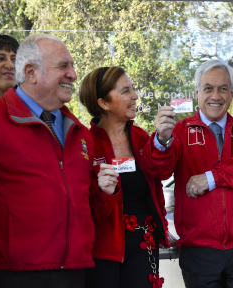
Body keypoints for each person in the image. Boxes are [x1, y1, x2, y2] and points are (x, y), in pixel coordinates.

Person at [0, 34, 117, 288]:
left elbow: (86, 208)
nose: (73, 74)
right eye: (63, 66)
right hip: (10, 276)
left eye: (72, 65)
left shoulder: (79, 132)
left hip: (75, 274)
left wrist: (106, 193)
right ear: (31, 72)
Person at [144, 59, 233, 288]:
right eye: (208, 88)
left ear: (231, 93)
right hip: (198, 251)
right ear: (197, 92)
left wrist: (211, 178)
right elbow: (159, 171)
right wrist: (161, 140)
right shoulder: (178, 131)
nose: (216, 95)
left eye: (223, 89)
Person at [78, 66, 176, 288]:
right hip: (103, 250)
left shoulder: (141, 136)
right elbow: (86, 211)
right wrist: (105, 193)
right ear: (103, 103)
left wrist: (162, 139)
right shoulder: (85, 144)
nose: (134, 96)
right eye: (125, 91)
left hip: (144, 244)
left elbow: (159, 179)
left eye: (133, 89)